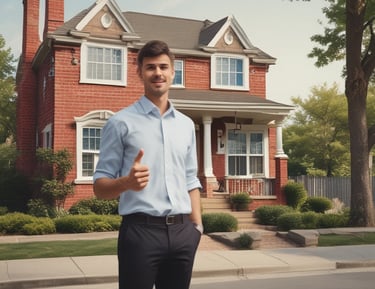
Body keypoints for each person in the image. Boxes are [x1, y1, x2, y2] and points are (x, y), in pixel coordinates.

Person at [93, 40, 203, 289]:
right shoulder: (120, 123)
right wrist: (127, 182)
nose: (158, 73)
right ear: (140, 73)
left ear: (173, 72)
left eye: (163, 67)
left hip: (183, 233)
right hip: (140, 233)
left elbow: (190, 179)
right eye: (150, 67)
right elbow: (99, 188)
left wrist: (197, 227)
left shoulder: (186, 125)